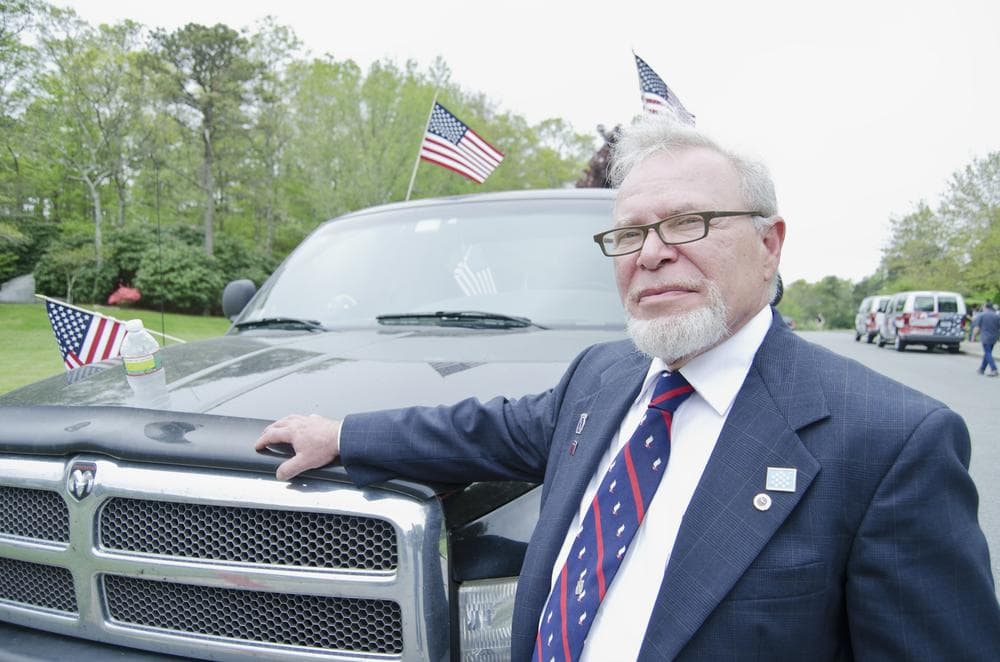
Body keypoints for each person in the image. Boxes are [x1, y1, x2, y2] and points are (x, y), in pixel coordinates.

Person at [254, 116, 1000, 661]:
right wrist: (343, 436)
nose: (651, 254)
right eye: (629, 234)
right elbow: (485, 429)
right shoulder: (602, 378)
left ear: (769, 245)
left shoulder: (890, 442)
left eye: (689, 223)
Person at [974, 301, 1000, 376]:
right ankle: (982, 368)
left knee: (987, 353)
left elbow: (977, 327)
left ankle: (994, 369)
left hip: (985, 337)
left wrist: (974, 336)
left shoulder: (982, 315)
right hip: (994, 337)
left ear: (986, 307)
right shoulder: (996, 316)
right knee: (988, 352)